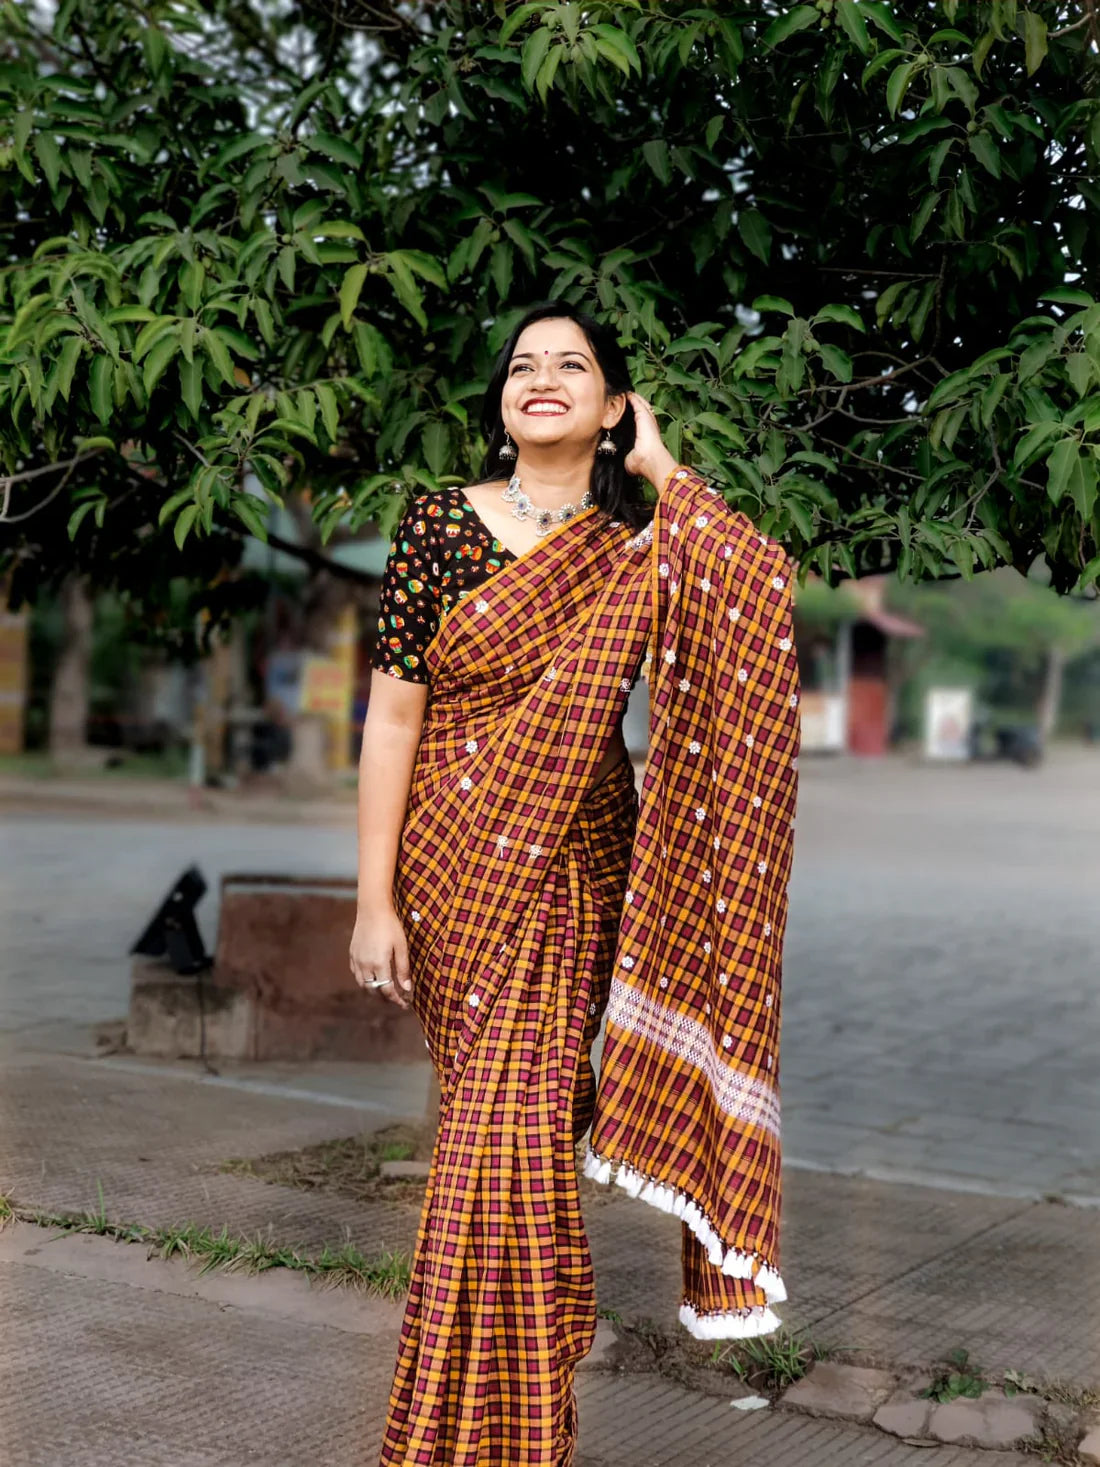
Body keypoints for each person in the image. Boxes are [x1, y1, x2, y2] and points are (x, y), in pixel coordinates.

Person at [351, 302, 800, 1467]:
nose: (540, 379)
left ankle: (482, 1432)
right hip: (451, 859)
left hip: (579, 858)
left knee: (517, 1141)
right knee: (495, 1139)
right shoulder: (437, 523)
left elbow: (756, 588)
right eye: (521, 365)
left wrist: (662, 468)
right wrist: (371, 899)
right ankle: (509, 1426)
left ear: (611, 405)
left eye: (571, 366)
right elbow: (392, 720)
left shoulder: (637, 542)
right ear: (500, 400)